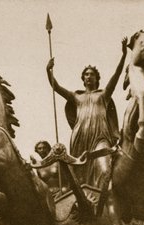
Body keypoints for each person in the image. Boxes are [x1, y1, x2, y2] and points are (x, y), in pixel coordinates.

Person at [46, 38, 127, 191]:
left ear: (97, 78)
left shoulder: (103, 95)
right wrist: (48, 71)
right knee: (79, 176)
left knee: (104, 170)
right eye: (86, 74)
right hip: (80, 137)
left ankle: (103, 198)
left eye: (92, 74)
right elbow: (56, 87)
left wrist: (123, 55)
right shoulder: (76, 96)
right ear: (83, 79)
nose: (89, 76)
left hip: (100, 136)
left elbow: (116, 75)